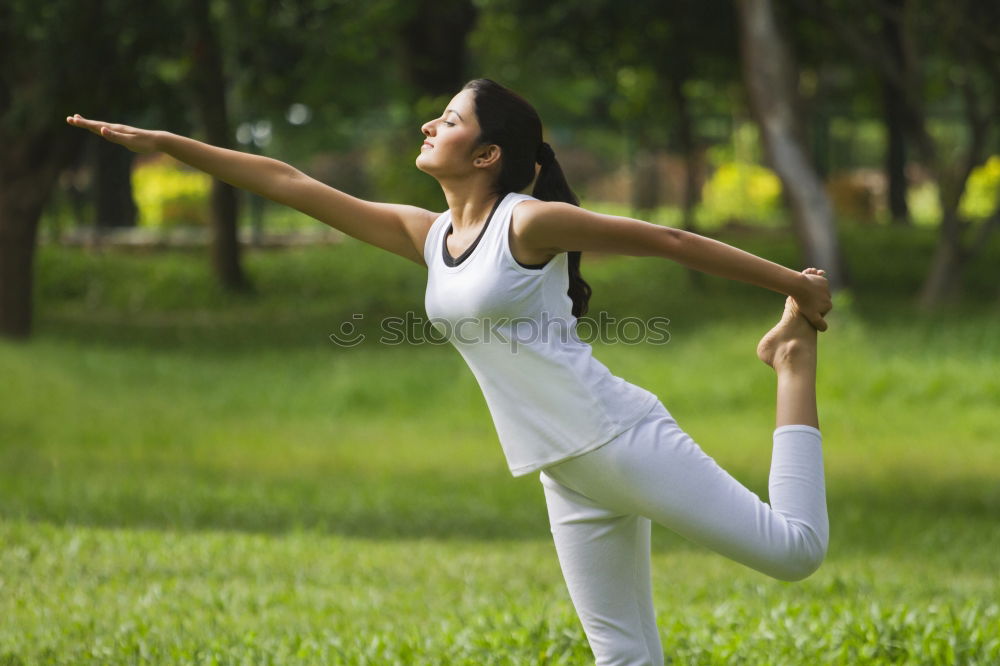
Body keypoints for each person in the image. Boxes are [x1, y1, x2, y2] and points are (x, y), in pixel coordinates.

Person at [67, 77, 832, 666]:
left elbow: (666, 237)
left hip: (617, 437)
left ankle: (793, 359)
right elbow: (288, 183)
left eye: (450, 120)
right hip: (564, 468)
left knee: (794, 552)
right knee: (623, 656)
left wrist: (794, 289)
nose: (430, 125)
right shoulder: (428, 236)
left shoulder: (527, 222)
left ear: (486, 155)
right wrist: (171, 144)